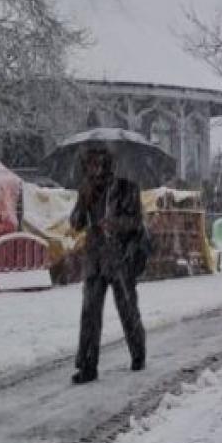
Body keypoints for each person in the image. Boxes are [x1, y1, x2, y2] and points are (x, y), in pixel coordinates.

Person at [69, 148, 147, 385]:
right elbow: (75, 223)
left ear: (107, 165)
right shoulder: (87, 190)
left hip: (120, 258)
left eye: (97, 164)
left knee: (127, 308)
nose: (93, 168)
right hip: (94, 259)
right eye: (89, 164)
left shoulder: (126, 188)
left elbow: (136, 221)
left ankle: (138, 352)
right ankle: (87, 366)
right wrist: (83, 201)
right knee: (89, 313)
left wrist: (114, 223)